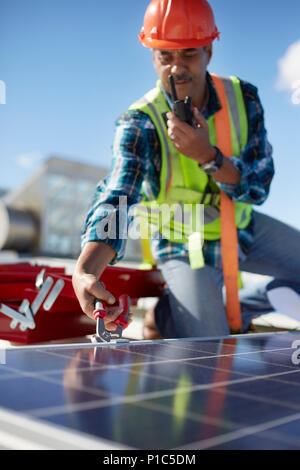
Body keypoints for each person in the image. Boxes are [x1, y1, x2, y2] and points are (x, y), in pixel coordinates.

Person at [72, 0, 300, 339]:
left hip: (240, 227)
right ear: (153, 57)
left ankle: (234, 303)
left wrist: (209, 157)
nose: (177, 68)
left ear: (209, 50)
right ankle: (169, 315)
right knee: (212, 347)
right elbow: (118, 194)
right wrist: (85, 269)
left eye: (189, 54)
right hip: (181, 240)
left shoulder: (244, 98)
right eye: (166, 56)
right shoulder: (140, 121)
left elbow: (259, 188)